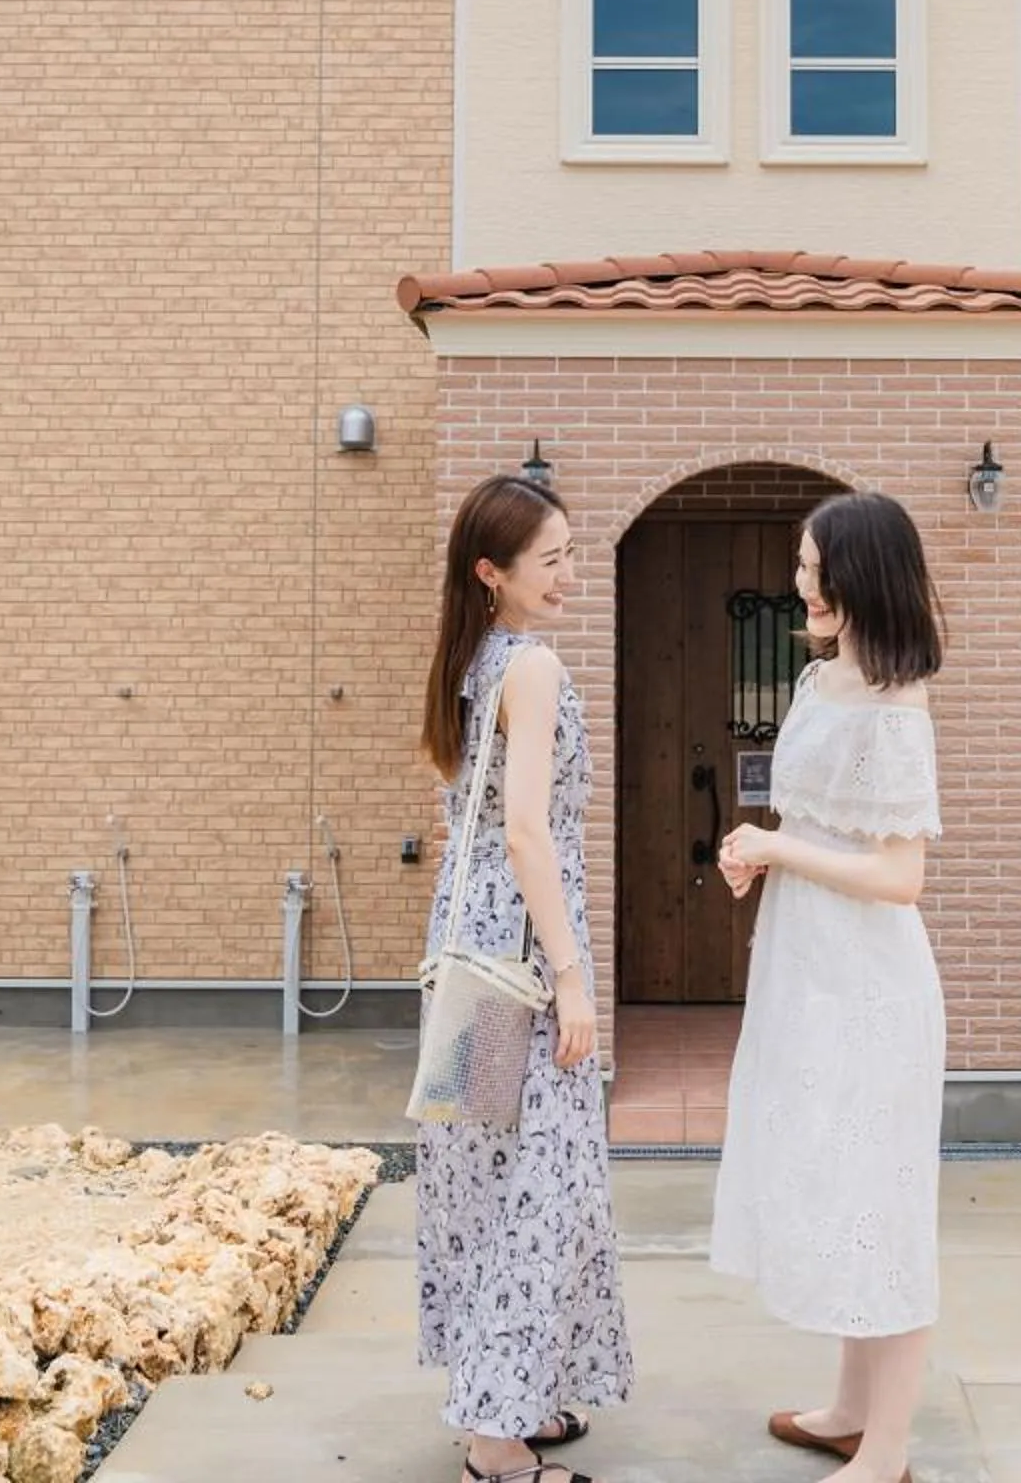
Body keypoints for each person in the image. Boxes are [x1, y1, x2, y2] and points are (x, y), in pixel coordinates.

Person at [712, 491, 947, 1483]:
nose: (801, 580)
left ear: (860, 576)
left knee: (880, 1202)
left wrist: (783, 848)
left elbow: (900, 876)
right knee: (837, 1188)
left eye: (814, 565)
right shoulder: (817, 684)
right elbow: (815, 826)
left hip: (870, 987)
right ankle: (851, 1407)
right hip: (806, 975)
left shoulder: (899, 707)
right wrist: (759, 850)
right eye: (801, 564)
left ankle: (886, 1447)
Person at [413, 473, 633, 1483]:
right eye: (551, 558)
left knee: (490, 1176)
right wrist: (575, 978)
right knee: (539, 1181)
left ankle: (513, 1395)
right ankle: (496, 1443)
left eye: (571, 552)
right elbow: (526, 829)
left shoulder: (475, 661)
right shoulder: (531, 666)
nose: (570, 574)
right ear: (491, 572)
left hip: (475, 956)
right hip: (526, 960)